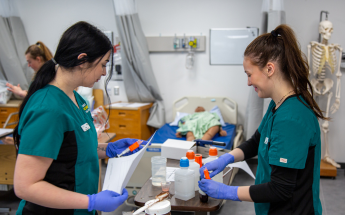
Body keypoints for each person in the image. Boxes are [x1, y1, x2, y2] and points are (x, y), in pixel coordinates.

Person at [13, 21, 147, 214]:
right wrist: (91, 201)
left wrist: (107, 149)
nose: (103, 72)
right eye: (102, 64)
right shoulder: (48, 109)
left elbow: (70, 149)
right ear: (82, 60)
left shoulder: (76, 99)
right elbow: (26, 186)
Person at [199, 24, 324, 215]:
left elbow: (280, 188)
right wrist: (226, 158)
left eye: (249, 74)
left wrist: (228, 192)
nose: (248, 82)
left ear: (269, 69)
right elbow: (258, 141)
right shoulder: (278, 105)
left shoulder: (291, 119)